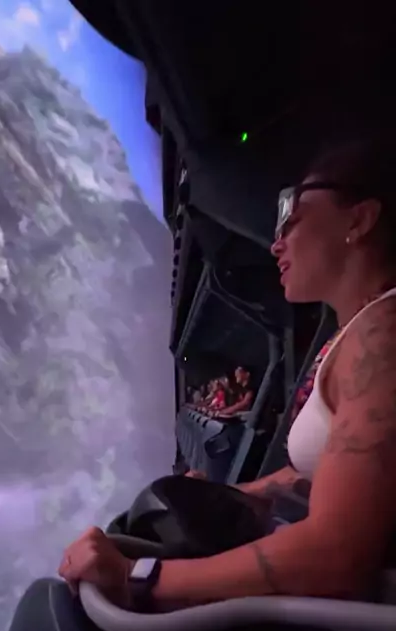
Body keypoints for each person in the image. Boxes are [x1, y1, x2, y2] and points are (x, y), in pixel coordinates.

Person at [59, 135, 396, 605]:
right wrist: (229, 496)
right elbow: (309, 477)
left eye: (293, 219)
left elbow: (335, 554)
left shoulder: (383, 337)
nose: (276, 243)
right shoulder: (360, 332)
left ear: (358, 220)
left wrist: (138, 577)